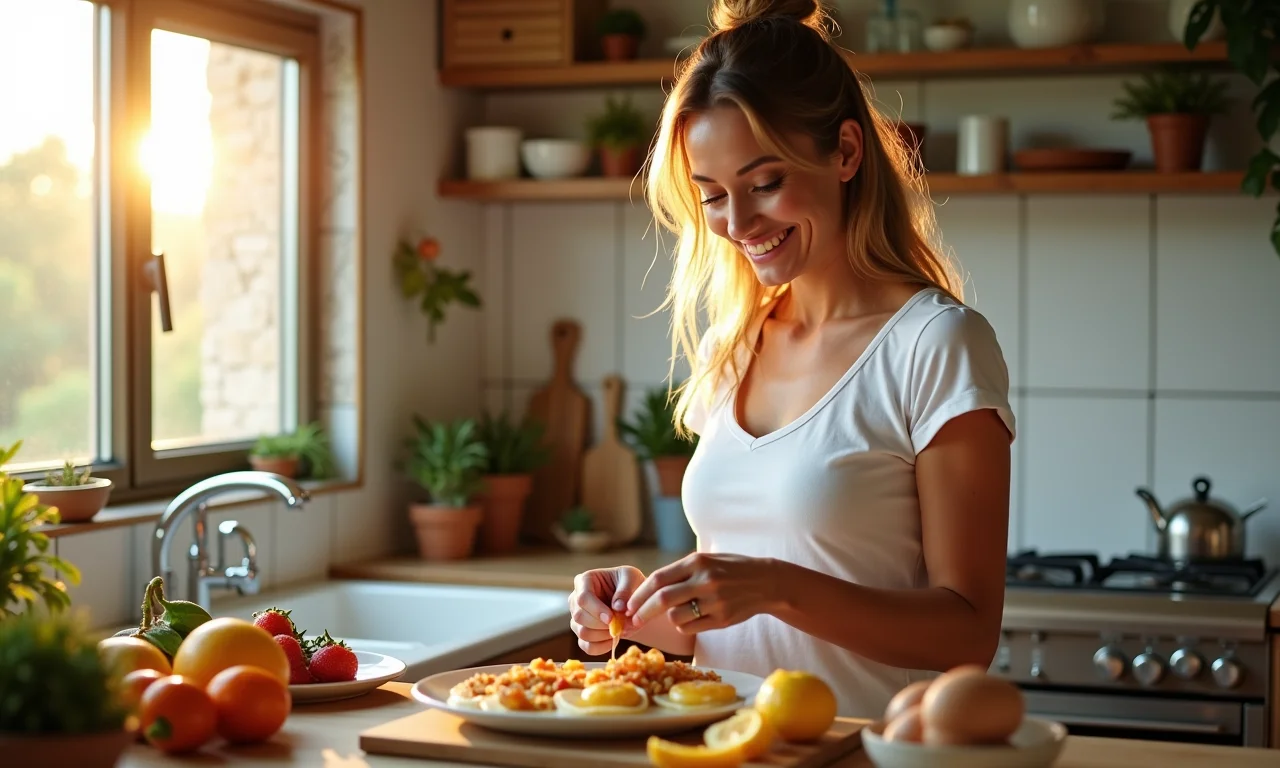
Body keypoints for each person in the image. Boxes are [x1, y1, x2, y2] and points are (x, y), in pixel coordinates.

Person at [567, 0, 1016, 719]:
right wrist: (637, 611)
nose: (738, 225)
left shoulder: (936, 345)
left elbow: (967, 634)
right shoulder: (733, 347)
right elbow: (734, 631)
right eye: (712, 196)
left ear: (845, 151)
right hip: (724, 747)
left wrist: (776, 584)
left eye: (765, 183)